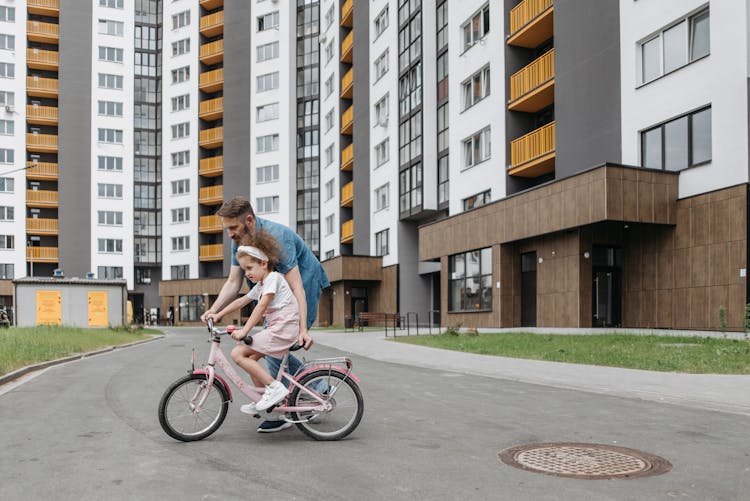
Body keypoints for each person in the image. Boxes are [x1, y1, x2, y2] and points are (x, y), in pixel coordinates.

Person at [201, 196, 330, 433]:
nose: (229, 234)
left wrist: (302, 329)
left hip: (303, 284)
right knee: (271, 349)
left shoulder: (278, 238)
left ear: (249, 220)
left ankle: (294, 399)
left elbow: (297, 287)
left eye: (233, 227)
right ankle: (301, 392)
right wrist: (215, 309)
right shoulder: (239, 241)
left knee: (275, 346)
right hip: (270, 292)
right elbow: (233, 282)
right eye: (226, 228)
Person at [207, 232, 299, 413]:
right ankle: (263, 396)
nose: (247, 273)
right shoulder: (262, 284)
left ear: (264, 264)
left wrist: (244, 331)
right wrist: (217, 313)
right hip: (279, 329)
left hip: (283, 330)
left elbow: (261, 305)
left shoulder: (273, 278)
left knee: (238, 353)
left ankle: (274, 388)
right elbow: (242, 301)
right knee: (250, 357)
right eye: (244, 270)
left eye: (249, 268)